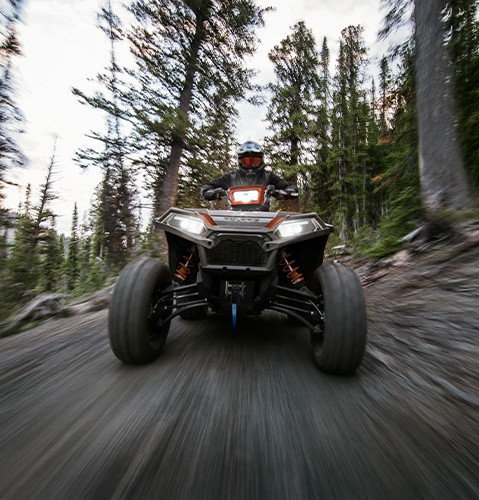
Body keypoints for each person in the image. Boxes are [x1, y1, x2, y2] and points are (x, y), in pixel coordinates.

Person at [200, 141, 298, 211]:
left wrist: (278, 193)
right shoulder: (232, 176)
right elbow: (207, 186)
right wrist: (212, 192)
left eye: (255, 161)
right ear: (240, 161)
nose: (250, 165)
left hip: (264, 216)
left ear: (261, 161)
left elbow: (292, 188)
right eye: (246, 161)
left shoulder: (268, 176)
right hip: (233, 216)